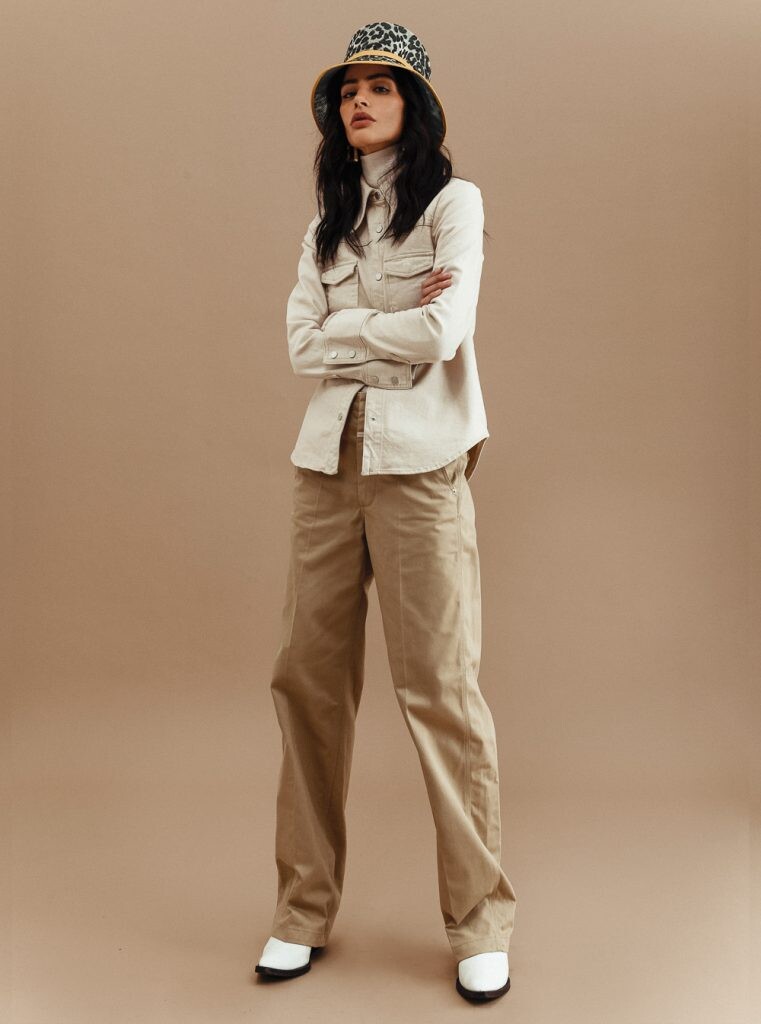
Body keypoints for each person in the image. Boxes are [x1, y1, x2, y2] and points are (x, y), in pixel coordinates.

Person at [254, 22, 517, 1003]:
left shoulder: (453, 202)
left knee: (439, 691)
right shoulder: (324, 224)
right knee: (305, 684)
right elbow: (298, 346)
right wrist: (383, 328)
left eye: (381, 86)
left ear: (416, 105)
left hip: (421, 467)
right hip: (325, 467)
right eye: (348, 88)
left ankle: (478, 922)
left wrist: (348, 327)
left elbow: (444, 330)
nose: (359, 100)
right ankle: (300, 911)